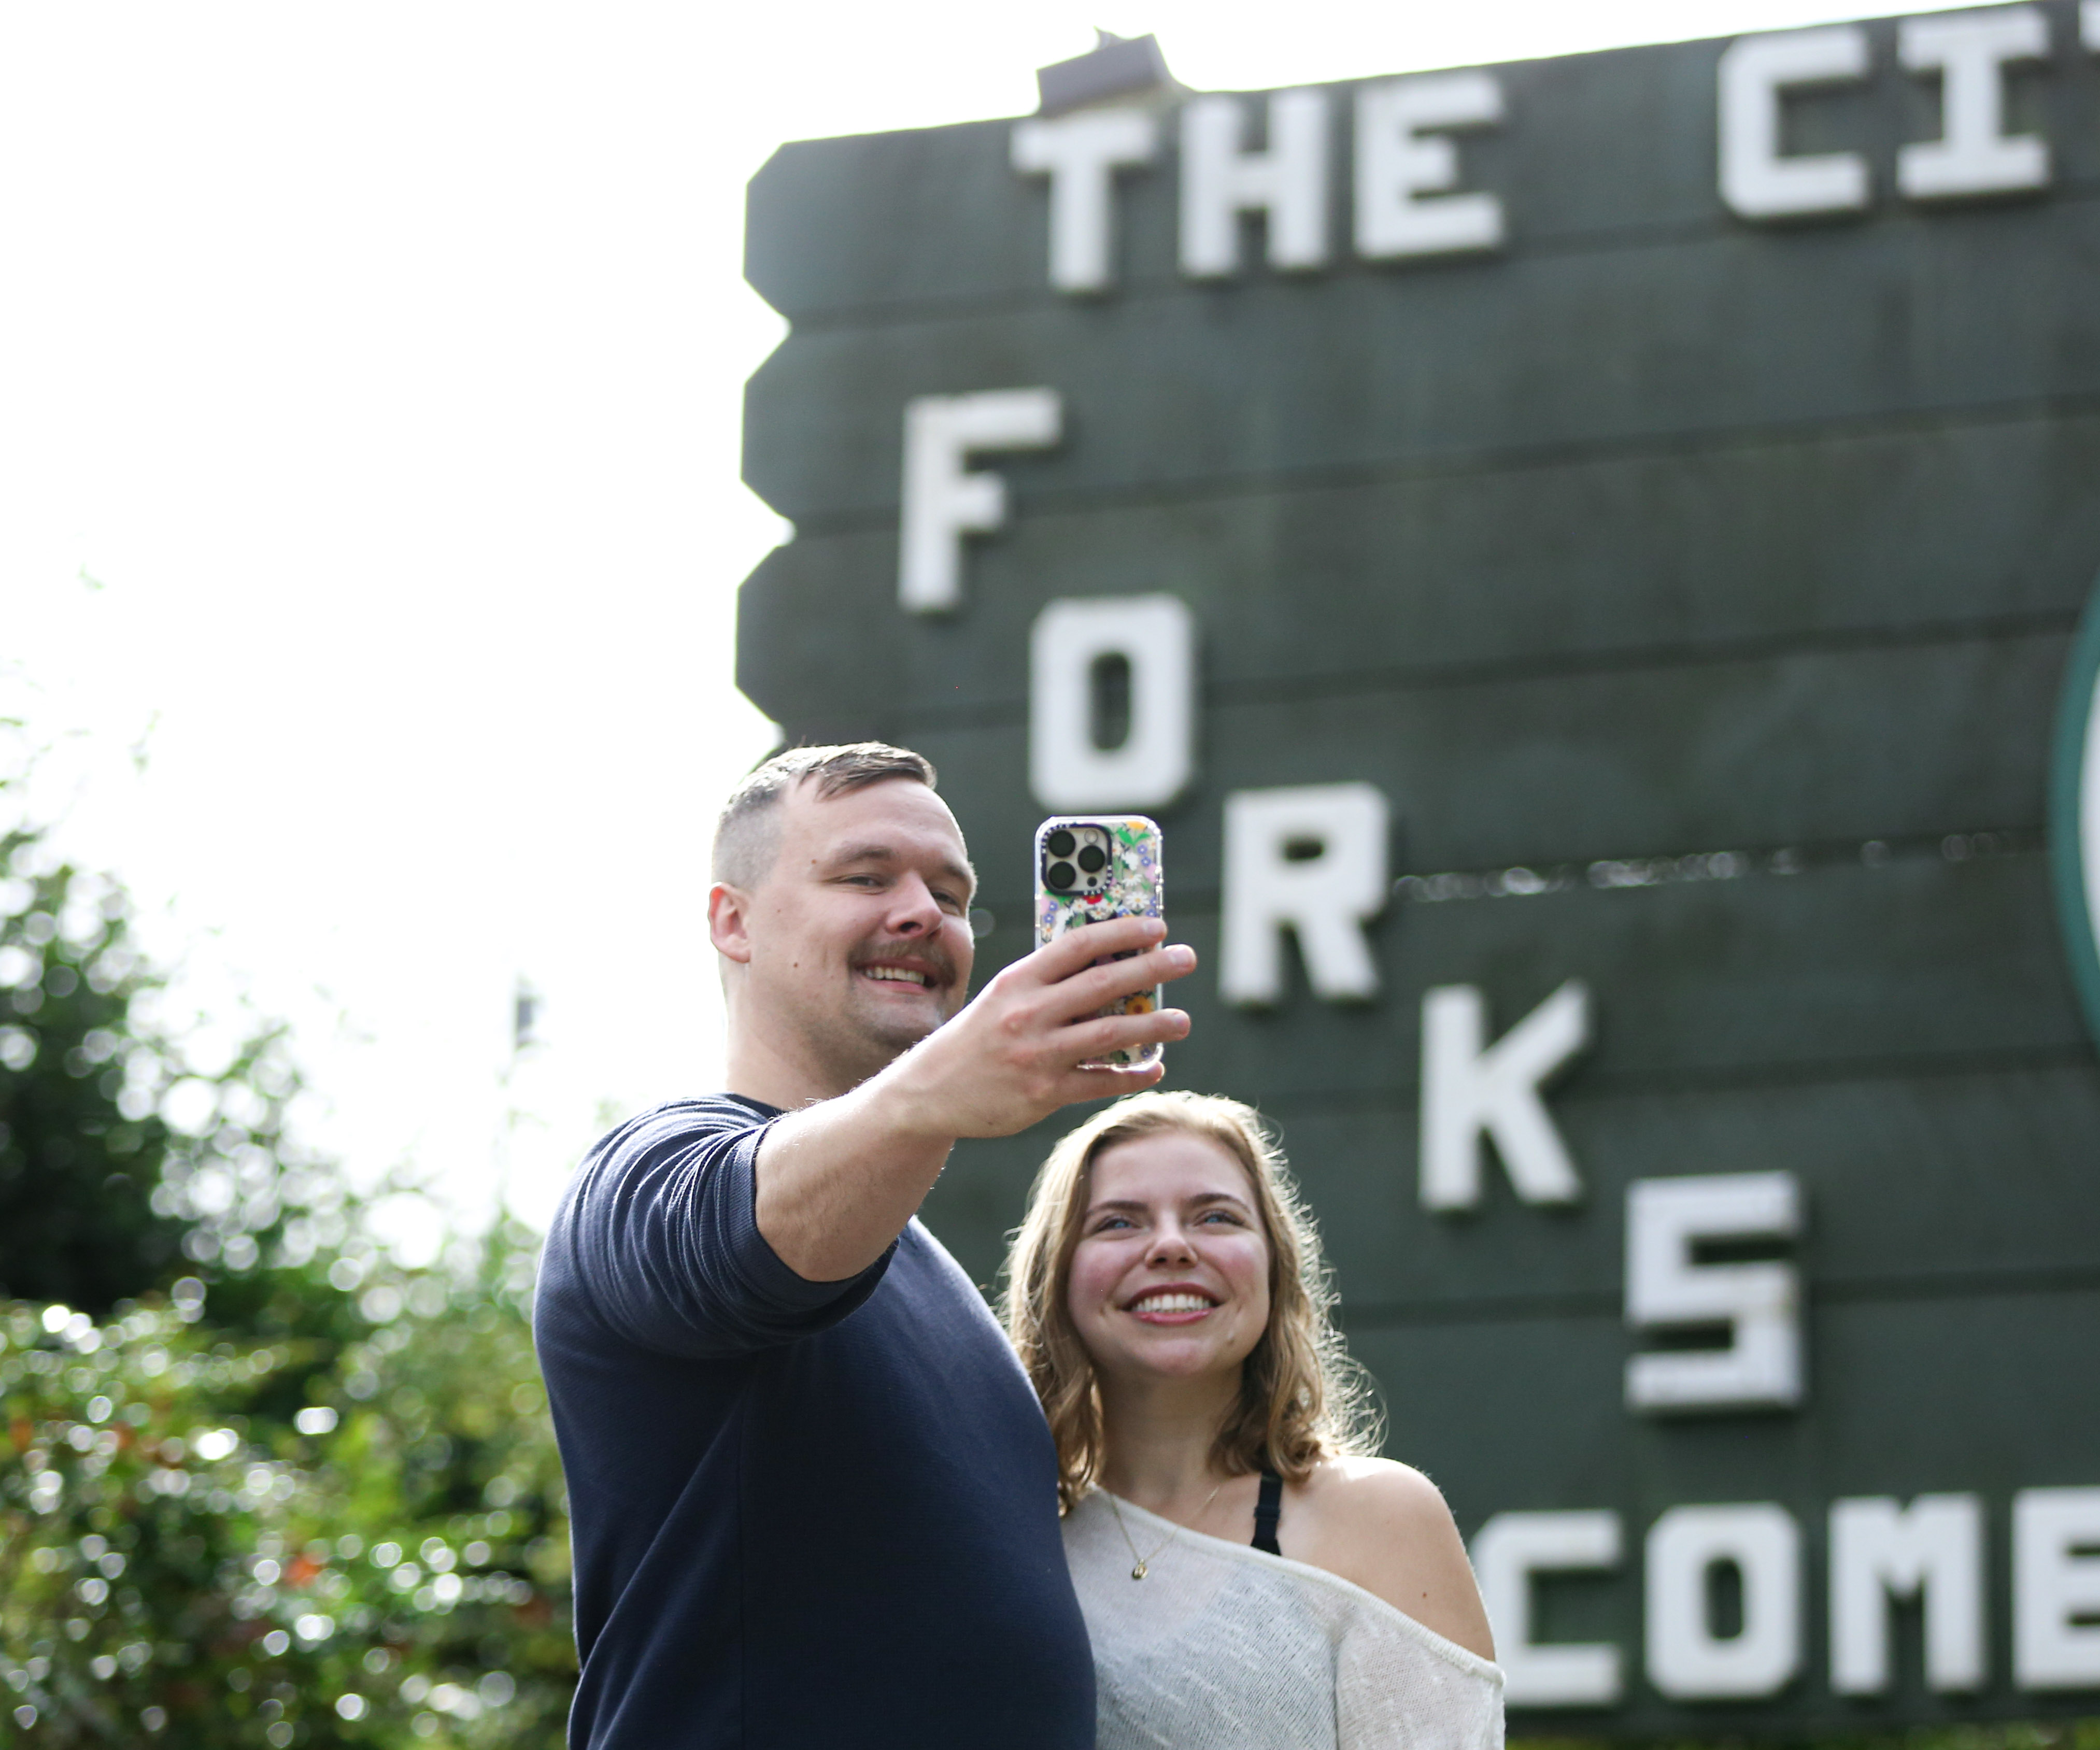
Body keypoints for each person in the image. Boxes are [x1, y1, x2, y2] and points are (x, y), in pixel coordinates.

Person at [531, 742, 1196, 1749]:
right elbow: (744, 1239)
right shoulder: (645, 1169)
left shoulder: (924, 1271)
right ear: (732, 919)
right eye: (864, 875)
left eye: (951, 890)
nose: (925, 911)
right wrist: (938, 1089)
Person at [1003, 1090, 1505, 1749]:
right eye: (1118, 1223)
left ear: (1274, 1267)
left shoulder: (1381, 1519)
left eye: (1214, 1216)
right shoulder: (1013, 1536)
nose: (1171, 1245)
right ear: (1057, 1276)